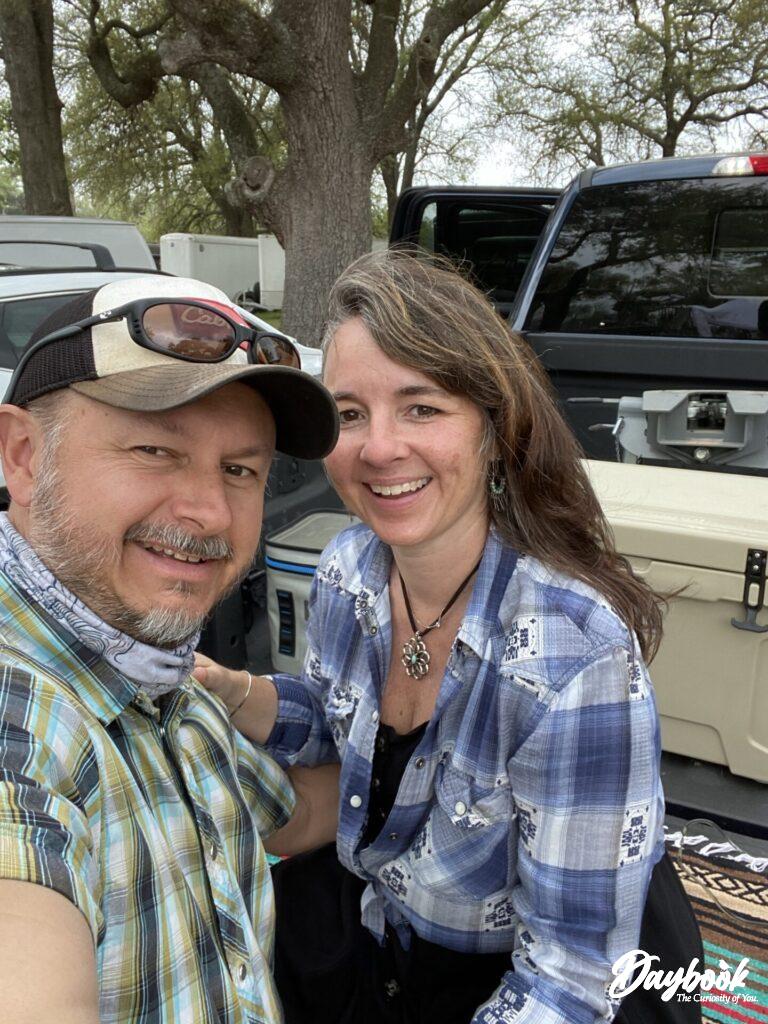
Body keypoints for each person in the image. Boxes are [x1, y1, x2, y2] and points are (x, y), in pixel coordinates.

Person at [195, 251, 703, 1024]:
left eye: (422, 408)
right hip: (394, 911)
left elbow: (567, 980)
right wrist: (243, 693)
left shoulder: (574, 657)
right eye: (351, 413)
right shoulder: (349, 568)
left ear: (494, 429)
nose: (379, 448)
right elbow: (338, 721)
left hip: (550, 966)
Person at [0, 275, 341, 1024]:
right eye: (155, 449)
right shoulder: (19, 719)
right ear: (22, 455)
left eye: (241, 469)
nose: (210, 511)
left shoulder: (158, 672)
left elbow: (297, 812)